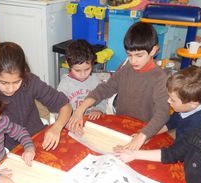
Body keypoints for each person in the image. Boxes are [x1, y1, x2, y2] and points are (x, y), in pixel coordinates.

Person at [67, 21, 170, 151]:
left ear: (153, 50)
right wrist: (79, 110)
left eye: (139, 55)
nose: (133, 61)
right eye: (129, 55)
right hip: (120, 124)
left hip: (145, 130)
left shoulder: (160, 78)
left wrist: (144, 134)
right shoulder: (127, 69)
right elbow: (104, 89)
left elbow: (163, 113)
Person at [0, 42, 72, 151]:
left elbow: (65, 106)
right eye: (4, 83)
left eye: (17, 82)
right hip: (4, 148)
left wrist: (57, 127)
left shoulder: (30, 81)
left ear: (24, 72)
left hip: (36, 137)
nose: (11, 89)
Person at [159, 66, 201, 143]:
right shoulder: (186, 106)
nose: (168, 101)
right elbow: (172, 122)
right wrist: (150, 133)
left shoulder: (195, 128)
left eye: (173, 100)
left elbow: (180, 150)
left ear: (193, 103)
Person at [57, 39, 107, 120]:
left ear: (93, 63)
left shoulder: (96, 80)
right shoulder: (65, 84)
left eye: (87, 69)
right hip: (72, 122)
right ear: (69, 66)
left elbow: (102, 99)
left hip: (91, 120)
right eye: (77, 70)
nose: (83, 74)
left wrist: (99, 110)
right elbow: (58, 107)